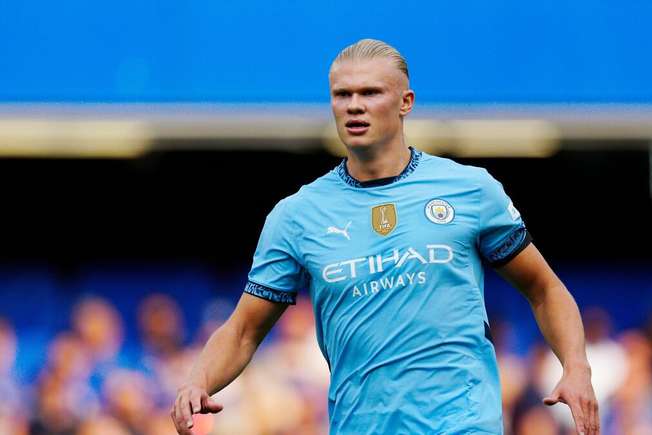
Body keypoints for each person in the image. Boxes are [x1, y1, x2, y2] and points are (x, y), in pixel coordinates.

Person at [171, 39, 599, 435]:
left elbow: (544, 289)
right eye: (343, 95)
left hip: (464, 423)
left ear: (405, 102)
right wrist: (198, 381)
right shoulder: (296, 216)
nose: (354, 106)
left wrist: (576, 366)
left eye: (371, 93)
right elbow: (243, 330)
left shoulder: (469, 190)